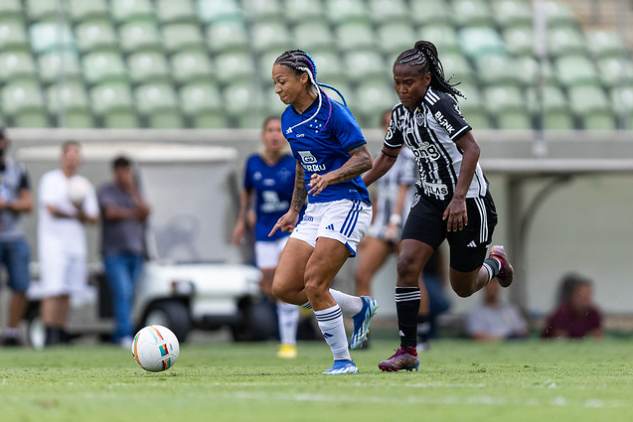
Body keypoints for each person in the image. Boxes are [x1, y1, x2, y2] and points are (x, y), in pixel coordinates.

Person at [362, 40, 514, 372]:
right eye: (397, 83)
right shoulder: (401, 114)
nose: (402, 89)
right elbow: (387, 156)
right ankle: (407, 350)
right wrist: (359, 185)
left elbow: (471, 149)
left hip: (468, 202)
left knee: (463, 287)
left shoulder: (440, 105)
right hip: (430, 200)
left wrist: (459, 198)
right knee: (406, 265)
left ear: (426, 79)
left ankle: (495, 262)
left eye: (409, 82)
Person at [269, 49, 378, 375]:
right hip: (315, 208)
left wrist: (331, 175)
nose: (277, 89)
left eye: (282, 81)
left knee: (315, 283)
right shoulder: (289, 117)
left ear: (304, 78)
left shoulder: (334, 113)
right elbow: (304, 165)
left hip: (348, 203)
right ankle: (358, 307)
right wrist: (293, 210)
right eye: (274, 83)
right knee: (285, 288)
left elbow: (364, 159)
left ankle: (343, 362)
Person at [354, 110, 450, 351]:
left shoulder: (409, 156)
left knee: (412, 277)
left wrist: (395, 220)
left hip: (405, 222)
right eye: (385, 124)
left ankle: (422, 334)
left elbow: (404, 191)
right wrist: (370, 228)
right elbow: (378, 196)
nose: (389, 128)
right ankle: (364, 334)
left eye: (393, 124)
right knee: (362, 275)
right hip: (382, 225)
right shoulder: (380, 155)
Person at [232, 116, 302, 359]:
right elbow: (247, 193)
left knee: (285, 282)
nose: (274, 135)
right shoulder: (253, 163)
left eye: (278, 131)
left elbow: (302, 193)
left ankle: (288, 343)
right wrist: (242, 220)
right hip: (263, 232)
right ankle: (302, 303)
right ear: (263, 135)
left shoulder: (294, 161)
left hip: (288, 229)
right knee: (270, 286)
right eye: (270, 130)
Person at [38, 141, 99, 346]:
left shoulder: (84, 184)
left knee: (68, 289)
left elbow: (92, 217)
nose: (72, 159)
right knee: (53, 288)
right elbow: (52, 209)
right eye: (69, 155)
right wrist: (75, 211)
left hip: (75, 244)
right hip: (53, 242)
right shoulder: (51, 180)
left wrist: (78, 211)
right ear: (62, 157)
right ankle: (49, 331)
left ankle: (61, 330)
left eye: (76, 155)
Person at [98, 156, 150, 348]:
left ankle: (125, 330)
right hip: (114, 252)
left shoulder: (135, 191)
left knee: (131, 294)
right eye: (120, 170)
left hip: (135, 250)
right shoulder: (107, 190)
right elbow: (110, 212)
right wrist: (132, 213)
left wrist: (133, 191)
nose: (124, 174)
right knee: (123, 291)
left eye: (127, 170)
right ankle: (123, 334)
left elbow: (146, 212)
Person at [0, 129, 33, 346]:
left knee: (21, 285)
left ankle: (12, 331)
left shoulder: (17, 170)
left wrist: (8, 205)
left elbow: (27, 203)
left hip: (13, 236)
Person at [541, 274, 603, 339]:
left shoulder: (594, 313)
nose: (585, 296)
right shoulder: (562, 312)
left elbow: (598, 339)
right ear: (574, 294)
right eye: (582, 293)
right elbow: (560, 340)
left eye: (588, 293)